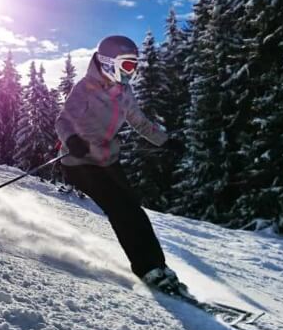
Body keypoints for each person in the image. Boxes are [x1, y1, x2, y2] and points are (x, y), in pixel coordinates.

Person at [55, 35, 186, 294]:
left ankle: (160, 267)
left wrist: (165, 141)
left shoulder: (125, 92)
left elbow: (139, 122)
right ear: (107, 62)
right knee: (120, 209)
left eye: (134, 66)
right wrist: (71, 139)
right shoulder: (85, 88)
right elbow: (63, 121)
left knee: (135, 210)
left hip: (107, 159)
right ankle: (146, 268)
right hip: (80, 161)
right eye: (127, 66)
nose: (132, 72)